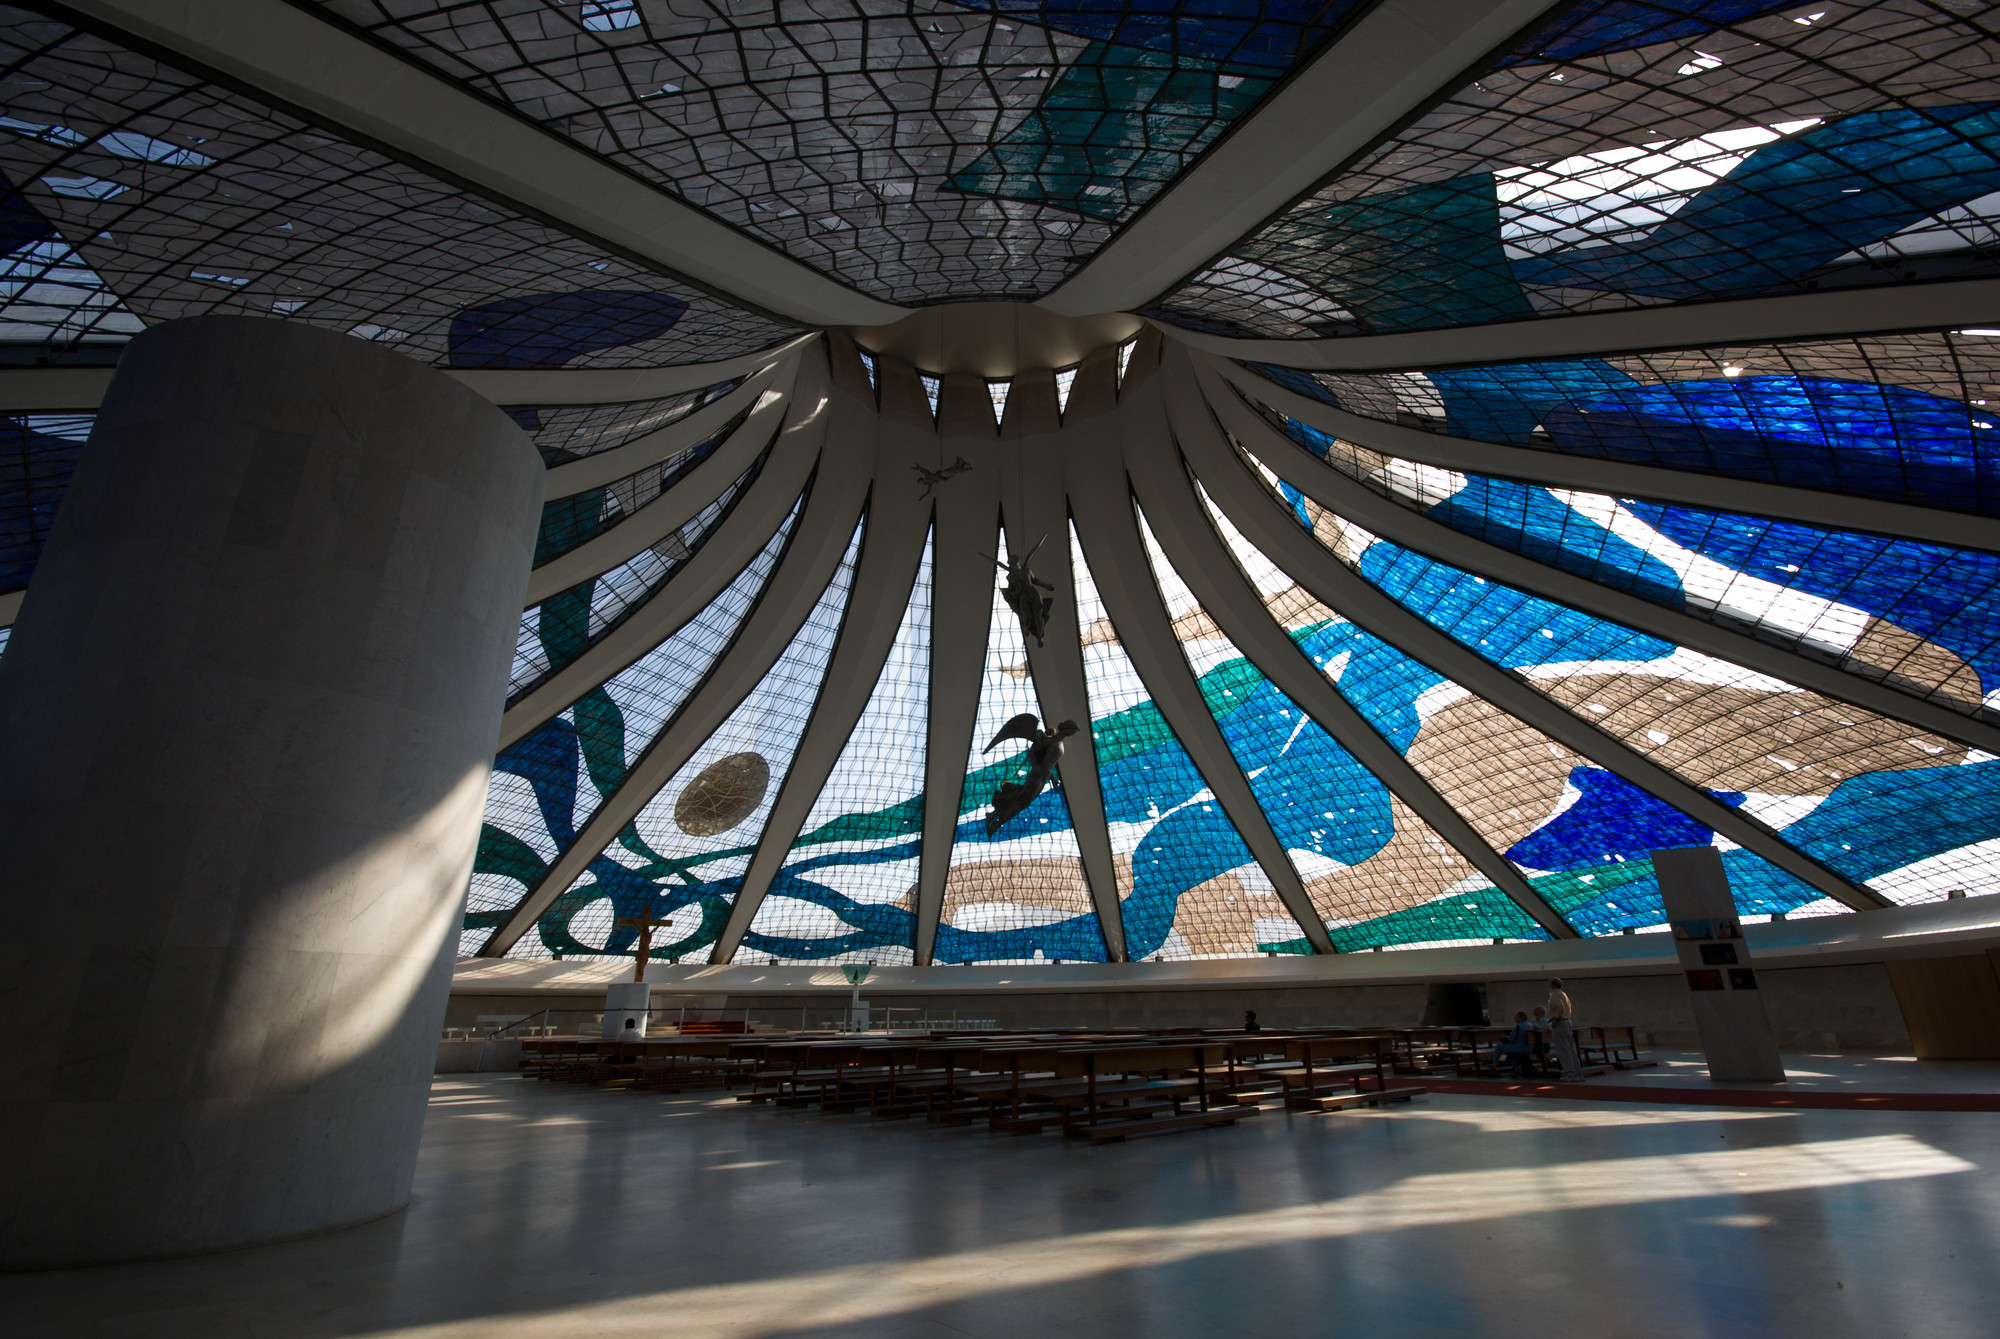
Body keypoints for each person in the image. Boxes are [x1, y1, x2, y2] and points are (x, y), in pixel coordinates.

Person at [1546, 978, 1585, 1082]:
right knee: (1571, 1049)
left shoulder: (1555, 994)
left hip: (1560, 1022)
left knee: (1563, 1050)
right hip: (1567, 1022)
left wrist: (1556, 1019)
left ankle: (1570, 1073)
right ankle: (1578, 1073)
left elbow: (1560, 1008)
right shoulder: (1563, 994)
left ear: (1552, 984)